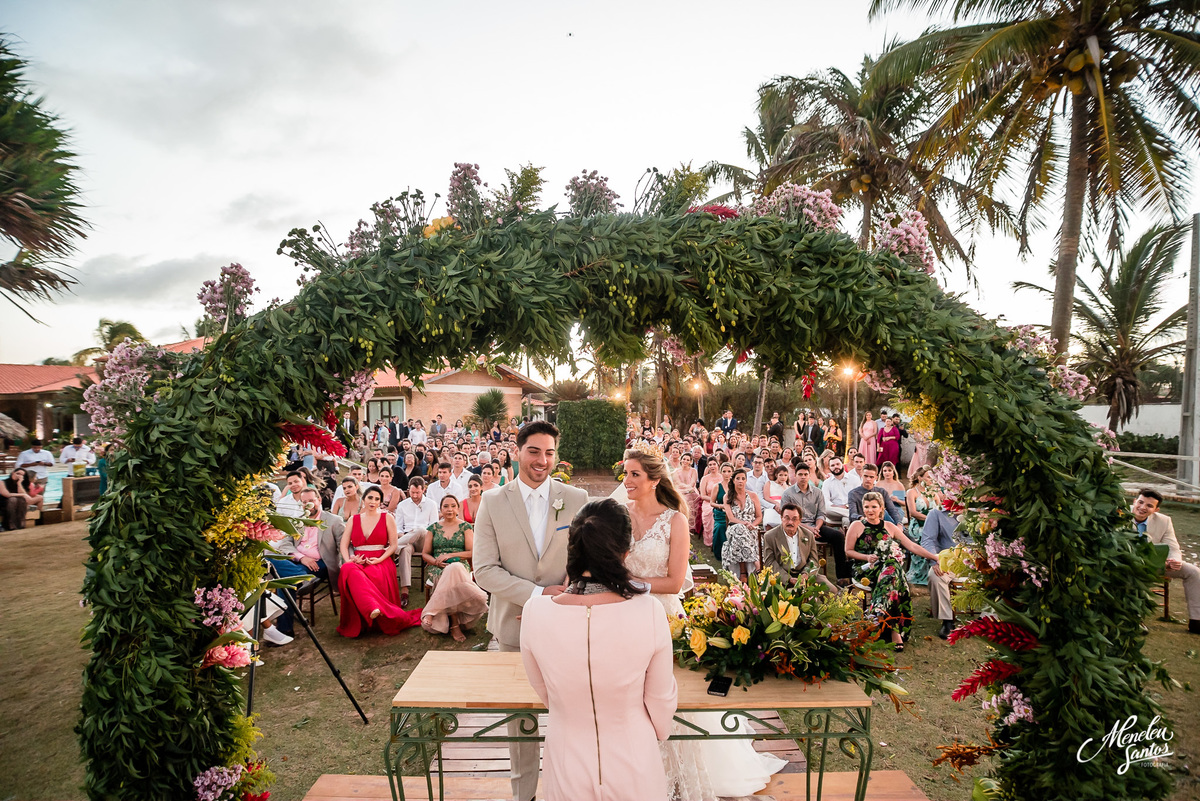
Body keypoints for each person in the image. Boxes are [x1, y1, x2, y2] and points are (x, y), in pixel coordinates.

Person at [622, 448, 784, 798]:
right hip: (622, 618)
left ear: (653, 479)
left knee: (669, 695)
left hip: (663, 617)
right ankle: (640, 769)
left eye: (634, 474)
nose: (627, 481)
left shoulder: (674, 520)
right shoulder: (620, 515)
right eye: (625, 473)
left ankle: (682, 769)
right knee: (630, 697)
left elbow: (676, 581)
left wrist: (631, 583)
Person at [520, 499, 677, 801]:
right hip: (634, 756)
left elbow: (544, 692)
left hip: (566, 755)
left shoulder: (535, 612)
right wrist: (655, 731)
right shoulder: (649, 611)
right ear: (625, 552)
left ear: (573, 550)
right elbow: (660, 700)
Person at [472, 421, 590, 801]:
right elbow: (484, 570)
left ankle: (567, 789)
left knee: (570, 712)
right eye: (535, 451)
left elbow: (586, 561)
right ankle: (524, 794)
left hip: (567, 624)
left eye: (550, 452)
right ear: (517, 451)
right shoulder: (492, 501)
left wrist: (561, 600)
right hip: (512, 627)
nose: (543, 460)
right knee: (520, 719)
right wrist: (537, 596)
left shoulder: (576, 498)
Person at [845, 492, 940, 651]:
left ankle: (880, 616)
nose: (870, 510)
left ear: (881, 508)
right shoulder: (857, 526)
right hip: (864, 569)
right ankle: (894, 628)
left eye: (874, 507)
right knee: (895, 571)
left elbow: (912, 546)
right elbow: (848, 551)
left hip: (887, 570)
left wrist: (934, 557)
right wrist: (867, 557)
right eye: (867, 507)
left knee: (892, 566)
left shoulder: (889, 526)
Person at [336, 486, 423, 638]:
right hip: (358, 560)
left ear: (380, 502)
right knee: (347, 568)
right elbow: (343, 545)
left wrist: (380, 559)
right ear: (363, 499)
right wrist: (350, 559)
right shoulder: (353, 519)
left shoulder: (387, 517)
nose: (373, 501)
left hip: (380, 559)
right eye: (370, 498)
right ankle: (371, 607)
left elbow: (394, 545)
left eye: (377, 499)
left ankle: (374, 609)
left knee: (370, 573)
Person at [270, 487, 344, 638]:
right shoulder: (297, 521)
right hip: (298, 562)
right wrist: (301, 557)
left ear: (319, 500)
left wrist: (346, 565)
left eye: (311, 501)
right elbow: (285, 543)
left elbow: (342, 545)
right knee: (269, 558)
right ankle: (301, 577)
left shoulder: (334, 521)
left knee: (284, 582)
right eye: (304, 502)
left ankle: (285, 630)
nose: (308, 505)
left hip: (321, 563)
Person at [420, 494, 487, 641]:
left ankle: (431, 611)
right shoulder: (433, 528)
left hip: (460, 564)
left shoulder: (465, 527)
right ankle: (455, 624)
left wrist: (450, 556)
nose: (449, 509)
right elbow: (425, 554)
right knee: (449, 574)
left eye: (453, 506)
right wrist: (436, 562)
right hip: (437, 567)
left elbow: (471, 552)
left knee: (454, 568)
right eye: (445, 506)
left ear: (458, 508)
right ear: (441, 509)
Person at [1133, 489, 1200, 634]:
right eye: (1140, 502)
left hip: (1157, 564)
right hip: (1129, 566)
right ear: (1134, 501)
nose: (1143, 507)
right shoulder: (1120, 516)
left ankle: (1196, 621)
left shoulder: (1164, 521)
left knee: (1193, 572)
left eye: (1149, 506)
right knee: (1132, 574)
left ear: (1156, 509)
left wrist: (1174, 561)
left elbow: (1173, 546)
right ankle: (1135, 618)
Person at [780, 462, 850, 582]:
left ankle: (842, 576)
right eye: (800, 474)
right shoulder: (788, 494)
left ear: (809, 476)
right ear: (795, 476)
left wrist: (816, 528)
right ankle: (798, 575)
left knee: (838, 536)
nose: (803, 477)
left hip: (816, 526)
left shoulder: (817, 492)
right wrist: (809, 529)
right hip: (797, 527)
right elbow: (788, 518)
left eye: (805, 474)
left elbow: (821, 514)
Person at [763, 504, 838, 592]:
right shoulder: (770, 536)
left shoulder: (808, 535)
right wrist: (788, 578)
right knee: (770, 594)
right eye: (787, 518)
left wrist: (805, 575)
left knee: (831, 590)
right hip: (781, 575)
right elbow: (770, 562)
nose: (790, 522)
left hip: (804, 573)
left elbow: (814, 560)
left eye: (794, 519)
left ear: (800, 520)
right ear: (781, 518)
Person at [393, 476, 438, 609]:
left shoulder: (431, 504)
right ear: (408, 491)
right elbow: (398, 528)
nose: (415, 495)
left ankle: (392, 549)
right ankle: (405, 591)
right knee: (405, 550)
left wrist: (417, 531)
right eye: (412, 492)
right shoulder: (402, 505)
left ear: (423, 490)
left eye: (417, 493)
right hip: (407, 538)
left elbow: (433, 528)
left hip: (425, 539)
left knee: (421, 530)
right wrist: (406, 534)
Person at [923, 506, 965, 639]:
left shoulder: (979, 511)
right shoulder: (936, 513)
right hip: (949, 561)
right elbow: (928, 540)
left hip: (977, 559)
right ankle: (947, 620)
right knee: (935, 576)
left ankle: (986, 620)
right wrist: (935, 560)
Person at [720, 467, 762, 579]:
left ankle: (743, 573)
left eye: (743, 478)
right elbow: (731, 518)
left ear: (746, 481)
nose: (740, 481)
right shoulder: (727, 496)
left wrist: (752, 525)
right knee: (739, 529)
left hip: (751, 528)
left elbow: (759, 516)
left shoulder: (753, 495)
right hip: (734, 527)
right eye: (738, 478)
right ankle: (756, 564)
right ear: (733, 481)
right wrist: (745, 524)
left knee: (744, 534)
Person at [904, 466, 938, 586]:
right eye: (928, 477)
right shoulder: (911, 492)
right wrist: (930, 519)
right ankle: (920, 573)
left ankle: (937, 569)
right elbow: (913, 512)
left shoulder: (933, 492)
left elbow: (939, 509)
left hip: (933, 524)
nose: (931, 480)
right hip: (918, 525)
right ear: (920, 478)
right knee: (924, 535)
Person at [708, 462, 734, 560]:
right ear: (721, 472)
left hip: (733, 513)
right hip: (720, 514)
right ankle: (719, 553)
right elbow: (711, 502)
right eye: (724, 471)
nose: (726, 474)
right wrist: (721, 506)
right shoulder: (717, 486)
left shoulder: (735, 486)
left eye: (729, 471)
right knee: (720, 527)